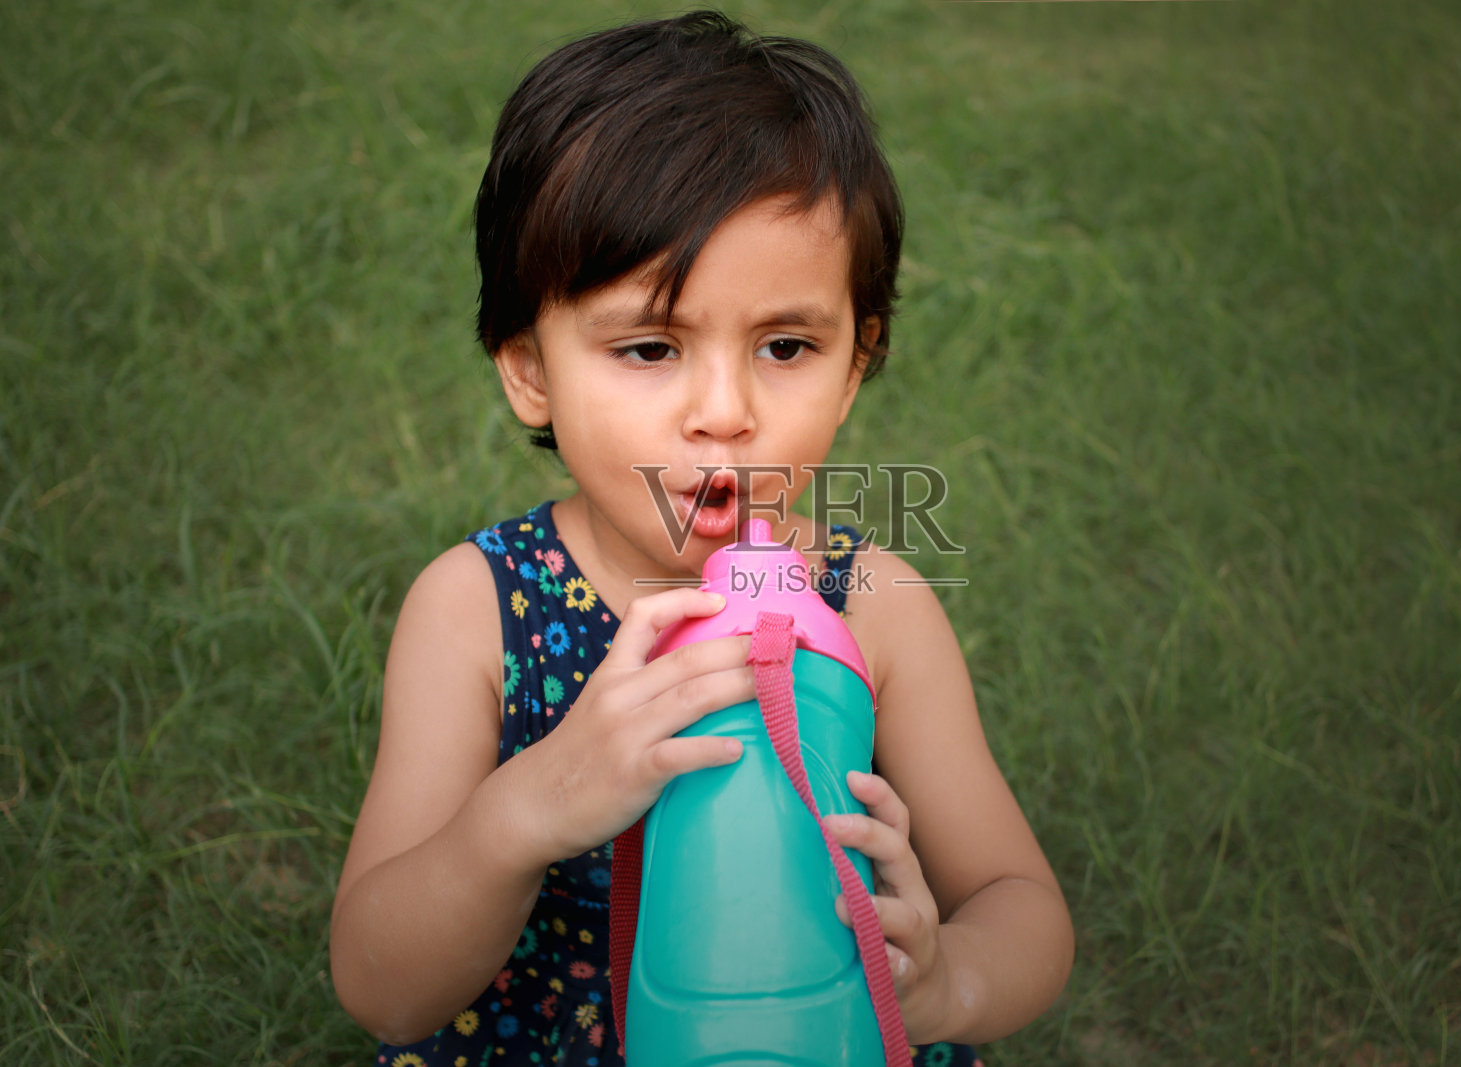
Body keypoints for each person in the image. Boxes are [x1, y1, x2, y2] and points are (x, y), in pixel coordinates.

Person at [329, 11, 1073, 1065]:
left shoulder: (871, 600)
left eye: (784, 344)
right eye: (647, 346)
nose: (723, 410)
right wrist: (532, 805)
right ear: (530, 369)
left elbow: (1020, 901)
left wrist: (949, 978)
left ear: (856, 360)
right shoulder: (475, 608)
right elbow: (378, 984)